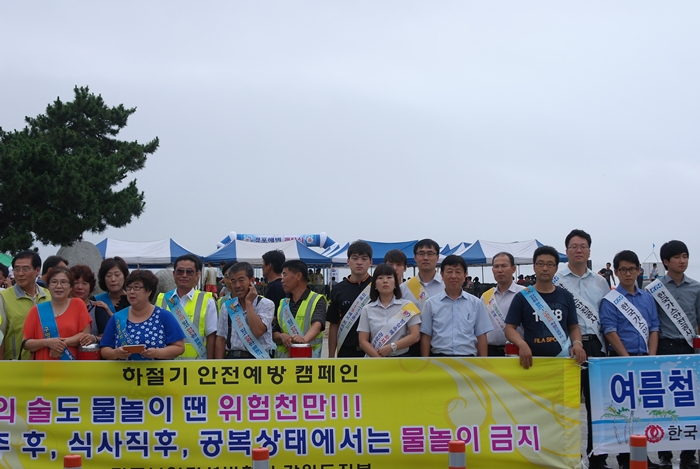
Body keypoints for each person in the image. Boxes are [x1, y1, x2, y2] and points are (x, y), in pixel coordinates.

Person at [555, 229, 612, 469]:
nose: (578, 250)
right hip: (566, 347)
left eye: (583, 246)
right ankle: (568, 457)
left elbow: (607, 315)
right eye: (574, 246)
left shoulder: (600, 281)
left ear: (589, 251)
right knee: (565, 405)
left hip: (595, 346)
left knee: (596, 406)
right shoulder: (556, 279)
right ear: (566, 250)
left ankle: (597, 457)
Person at [601, 250, 660, 469]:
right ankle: (625, 458)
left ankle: (641, 456)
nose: (628, 274)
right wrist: (627, 360)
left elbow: (654, 328)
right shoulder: (610, 300)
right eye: (623, 269)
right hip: (621, 360)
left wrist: (651, 358)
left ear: (638, 270)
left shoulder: (647, 298)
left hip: (645, 360)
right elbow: (610, 331)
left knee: (644, 412)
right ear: (615, 272)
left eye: (632, 269)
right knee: (624, 413)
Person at [647, 240, 700, 469]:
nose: (682, 261)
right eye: (677, 257)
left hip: (689, 349)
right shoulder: (654, 289)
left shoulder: (696, 288)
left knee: (689, 402)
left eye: (685, 256)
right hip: (664, 348)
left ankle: (689, 455)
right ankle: (665, 454)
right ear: (666, 262)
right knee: (664, 402)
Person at [504, 246, 586, 369]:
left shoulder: (566, 296)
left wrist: (578, 344)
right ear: (534, 267)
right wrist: (522, 344)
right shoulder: (522, 297)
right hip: (532, 362)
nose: (545, 268)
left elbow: (573, 327)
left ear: (556, 268)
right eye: (540, 264)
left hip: (563, 361)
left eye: (550, 264)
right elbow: (509, 328)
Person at [101, 270, 185, 361]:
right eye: (129, 288)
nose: (131, 292)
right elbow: (104, 350)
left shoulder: (164, 316)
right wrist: (116, 353)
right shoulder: (117, 318)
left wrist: (157, 353)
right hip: (125, 370)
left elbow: (179, 347)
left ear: (149, 291)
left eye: (136, 287)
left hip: (156, 370)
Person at [420, 255, 492, 357]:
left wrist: (484, 362)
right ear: (442, 274)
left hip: (468, 359)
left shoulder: (476, 303)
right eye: (449, 271)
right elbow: (426, 336)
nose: (453, 276)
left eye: (458, 272)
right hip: (439, 360)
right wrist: (425, 362)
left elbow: (481, 335)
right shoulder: (430, 304)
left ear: (465, 275)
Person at [22, 266, 94, 360]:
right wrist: (47, 342)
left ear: (71, 287)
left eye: (63, 282)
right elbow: (26, 343)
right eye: (54, 282)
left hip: (70, 364)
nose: (59, 286)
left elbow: (84, 335)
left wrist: (60, 344)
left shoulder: (78, 304)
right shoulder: (37, 310)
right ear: (48, 286)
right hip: (42, 365)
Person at [156, 254, 217, 359]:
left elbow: (211, 337)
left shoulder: (207, 301)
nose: (184, 275)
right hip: (166, 364)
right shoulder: (162, 299)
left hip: (196, 365)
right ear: (174, 274)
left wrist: (209, 364)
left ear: (197, 275)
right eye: (180, 271)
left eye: (189, 272)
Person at [358, 264, 421, 357]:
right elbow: (363, 341)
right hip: (376, 359)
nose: (385, 281)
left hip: (402, 359)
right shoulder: (367, 309)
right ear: (375, 284)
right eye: (380, 278)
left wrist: (392, 347)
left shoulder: (408, 306)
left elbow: (415, 336)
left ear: (395, 283)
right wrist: (379, 359)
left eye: (389, 277)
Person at [215, 262, 275, 359]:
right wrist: (219, 365)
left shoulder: (266, 304)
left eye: (241, 280)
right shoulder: (227, 306)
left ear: (252, 280)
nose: (237, 285)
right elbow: (221, 339)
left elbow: (258, 331)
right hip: (232, 358)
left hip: (258, 358)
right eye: (233, 281)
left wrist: (248, 303)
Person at [0, 251, 51, 360]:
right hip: (15, 365)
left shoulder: (49, 296)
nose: (20, 273)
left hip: (46, 364)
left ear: (37, 270)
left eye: (25, 269)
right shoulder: (3, 297)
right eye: (17, 269)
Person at [328, 241, 373, 358]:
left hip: (374, 350)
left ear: (370, 262)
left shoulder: (377, 286)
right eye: (355, 258)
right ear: (348, 261)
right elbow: (334, 325)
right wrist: (331, 357)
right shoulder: (338, 289)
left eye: (364, 258)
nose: (359, 262)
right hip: (346, 351)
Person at [272, 260, 327, 357]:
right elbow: (275, 332)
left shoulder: (316, 300)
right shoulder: (283, 303)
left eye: (285, 275)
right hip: (283, 363)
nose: (282, 280)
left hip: (307, 361)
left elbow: (317, 325)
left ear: (298, 276)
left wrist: (303, 340)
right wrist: (281, 336)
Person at [401, 239, 445, 356]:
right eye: (421, 254)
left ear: (437, 257)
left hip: (441, 344)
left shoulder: (446, 286)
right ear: (415, 257)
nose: (425, 258)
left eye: (430, 254)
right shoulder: (403, 288)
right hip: (411, 346)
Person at [481, 252, 525, 356]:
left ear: (513, 269)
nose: (500, 270)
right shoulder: (486, 297)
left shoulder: (524, 293)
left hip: (517, 351)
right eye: (496, 267)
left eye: (504, 266)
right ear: (492, 270)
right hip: (490, 352)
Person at [70, 264, 111, 340]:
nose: (80, 287)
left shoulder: (98, 308)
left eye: (84, 283)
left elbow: (106, 338)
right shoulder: (62, 308)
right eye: (76, 283)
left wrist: (94, 338)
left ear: (90, 286)